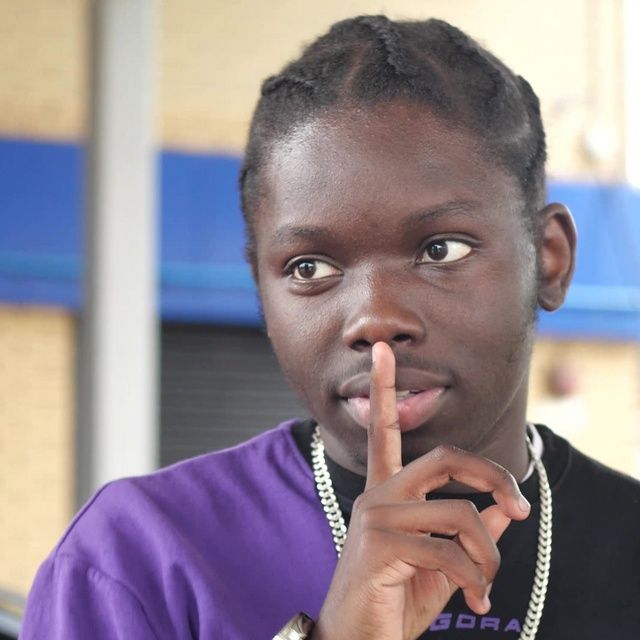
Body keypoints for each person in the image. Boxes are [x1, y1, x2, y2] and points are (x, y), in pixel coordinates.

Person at [21, 15, 640, 640]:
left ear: (549, 259)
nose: (376, 318)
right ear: (262, 292)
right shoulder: (133, 560)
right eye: (309, 267)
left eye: (441, 250)